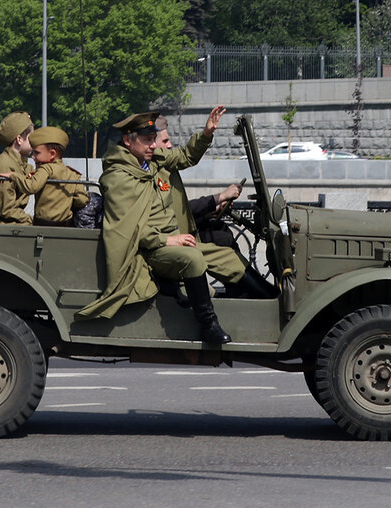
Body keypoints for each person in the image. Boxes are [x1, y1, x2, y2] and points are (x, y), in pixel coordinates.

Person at [76, 112, 238, 345]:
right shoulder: (118, 177)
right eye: (147, 140)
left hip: (173, 240)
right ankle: (208, 325)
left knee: (227, 256)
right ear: (128, 140)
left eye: (154, 138)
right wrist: (166, 241)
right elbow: (129, 229)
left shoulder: (150, 161)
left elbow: (184, 157)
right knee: (192, 258)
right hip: (150, 249)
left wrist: (206, 133)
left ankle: (268, 300)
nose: (153, 145)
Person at [154, 113, 277, 299]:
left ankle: (242, 290)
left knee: (220, 233)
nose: (170, 145)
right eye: (165, 141)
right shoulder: (152, 170)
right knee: (224, 256)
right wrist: (218, 198)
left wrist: (213, 209)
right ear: (151, 144)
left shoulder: (163, 166)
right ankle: (267, 297)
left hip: (182, 234)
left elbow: (181, 210)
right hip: (171, 242)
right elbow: (171, 212)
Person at [15, 126, 89, 226]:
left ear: (52, 154)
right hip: (65, 226)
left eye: (37, 153)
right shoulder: (72, 174)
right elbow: (82, 200)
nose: (33, 156)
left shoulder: (45, 169)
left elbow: (32, 187)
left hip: (42, 225)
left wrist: (13, 176)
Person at [0, 111, 34, 225]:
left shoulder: (20, 163)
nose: (34, 141)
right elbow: (7, 210)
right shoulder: (4, 166)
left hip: (7, 219)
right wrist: (33, 221)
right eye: (31, 137)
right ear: (19, 139)